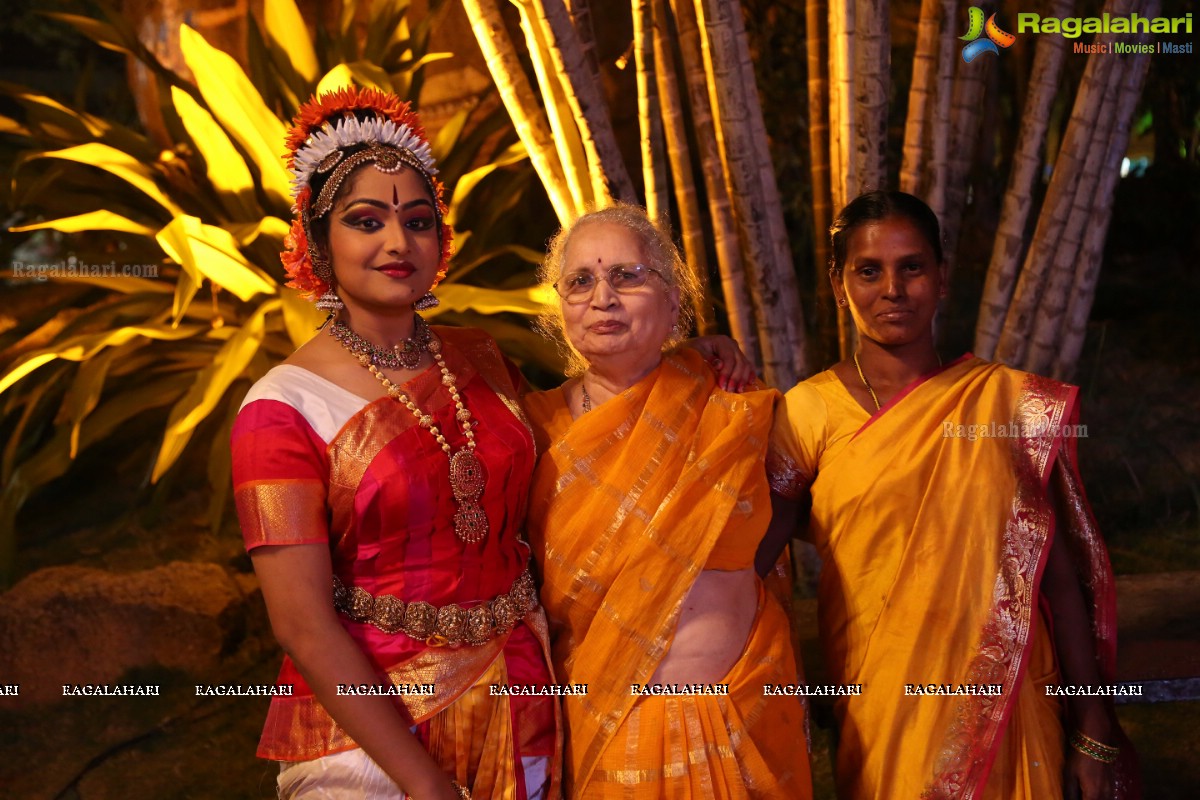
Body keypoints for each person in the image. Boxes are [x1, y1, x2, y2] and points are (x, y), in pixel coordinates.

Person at [231, 87, 559, 800]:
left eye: (417, 221)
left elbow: (584, 436)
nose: (396, 242)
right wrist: (425, 786)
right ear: (318, 242)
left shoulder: (481, 358)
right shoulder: (283, 407)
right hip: (368, 739)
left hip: (519, 697)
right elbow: (302, 625)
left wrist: (683, 364)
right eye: (365, 220)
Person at [762, 190, 1137, 799]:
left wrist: (1093, 722)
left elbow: (1058, 581)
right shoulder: (806, 413)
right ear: (839, 284)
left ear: (941, 279)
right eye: (868, 270)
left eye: (912, 266)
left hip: (1011, 699)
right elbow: (747, 557)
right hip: (882, 706)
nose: (892, 288)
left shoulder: (1002, 404)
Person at [524, 204, 813, 798]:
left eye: (627, 275)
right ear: (560, 306)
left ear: (675, 300)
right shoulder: (532, 432)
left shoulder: (731, 403)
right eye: (580, 281)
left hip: (742, 712)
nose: (602, 296)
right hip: (606, 720)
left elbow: (791, 517)